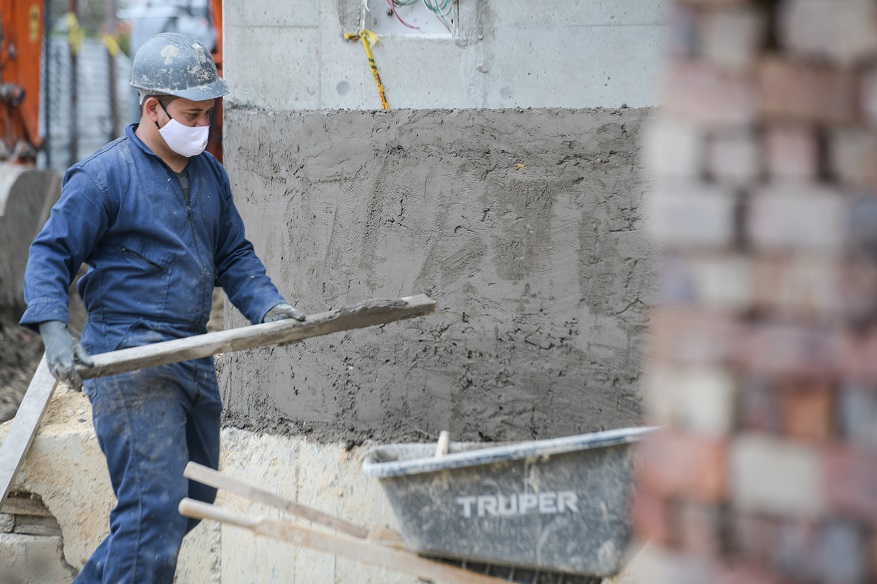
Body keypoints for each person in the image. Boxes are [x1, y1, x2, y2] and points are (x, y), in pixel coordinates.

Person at [19, 32, 304, 583]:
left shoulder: (210, 177)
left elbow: (234, 255)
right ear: (153, 109)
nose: (202, 127)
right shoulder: (104, 177)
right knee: (154, 510)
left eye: (208, 115)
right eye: (191, 114)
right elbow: (50, 254)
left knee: (188, 499)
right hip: (130, 360)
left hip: (191, 354)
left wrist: (271, 308)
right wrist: (56, 335)